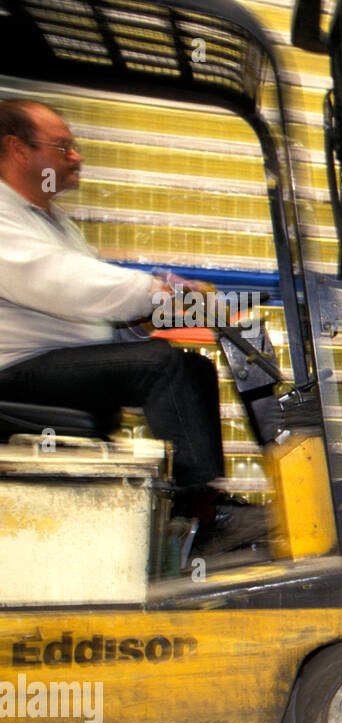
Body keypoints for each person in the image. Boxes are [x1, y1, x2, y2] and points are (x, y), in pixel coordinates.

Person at [0, 98, 257, 553]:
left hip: (49, 362)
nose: (77, 157)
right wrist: (159, 291)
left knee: (189, 366)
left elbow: (85, 312)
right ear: (19, 151)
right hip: (16, 369)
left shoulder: (51, 222)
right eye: (63, 147)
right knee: (163, 367)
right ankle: (199, 519)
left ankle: (204, 505)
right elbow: (62, 283)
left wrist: (148, 319)